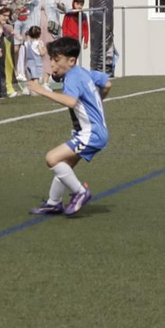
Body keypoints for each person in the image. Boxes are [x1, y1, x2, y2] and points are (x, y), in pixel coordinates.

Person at [23, 36, 111, 216]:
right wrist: (97, 101)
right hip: (94, 131)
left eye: (56, 60)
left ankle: (80, 192)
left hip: (91, 133)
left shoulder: (72, 76)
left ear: (71, 61)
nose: (53, 66)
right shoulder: (82, 72)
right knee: (64, 165)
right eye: (51, 60)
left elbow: (70, 102)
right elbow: (107, 82)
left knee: (52, 158)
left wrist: (41, 90)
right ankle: (53, 203)